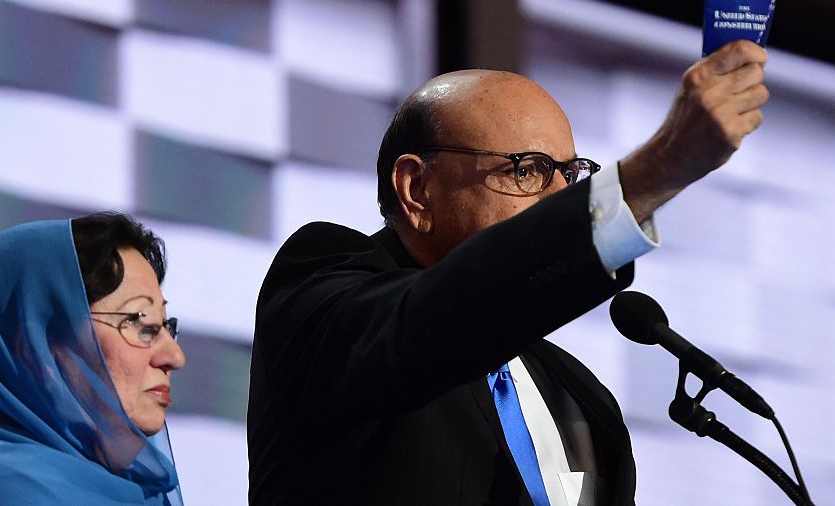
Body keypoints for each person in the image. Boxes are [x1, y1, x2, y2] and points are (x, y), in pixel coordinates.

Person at [248, 40, 768, 505]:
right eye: (527, 170)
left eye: (570, 175)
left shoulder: (584, 398)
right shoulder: (325, 288)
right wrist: (659, 167)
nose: (560, 197)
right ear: (415, 189)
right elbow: (439, 316)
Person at [0, 212, 187, 505]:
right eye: (141, 324)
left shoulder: (139, 492)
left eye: (166, 326)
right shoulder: (11, 492)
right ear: (37, 348)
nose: (175, 357)